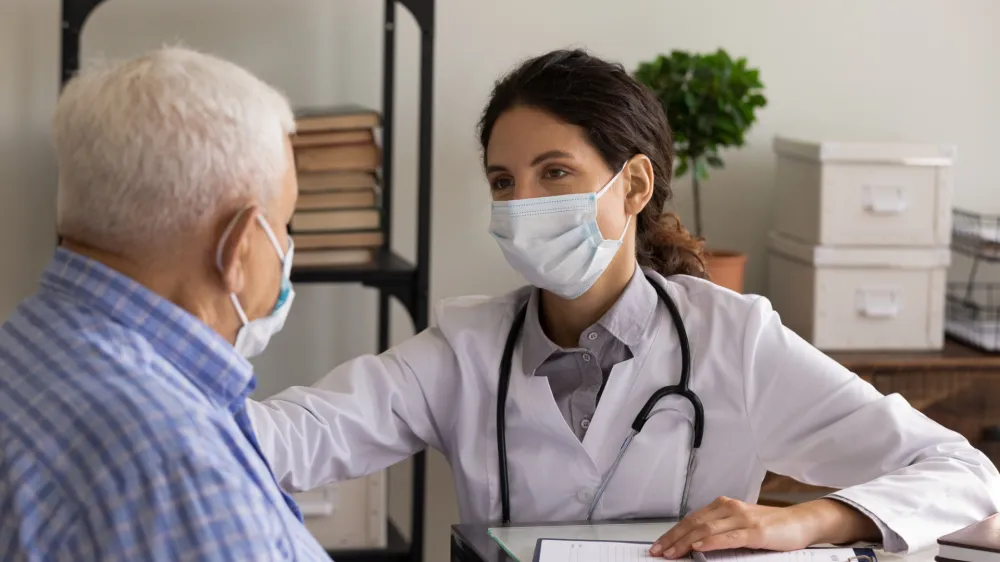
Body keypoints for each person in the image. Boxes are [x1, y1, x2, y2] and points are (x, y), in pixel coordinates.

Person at [247, 49, 1000, 557]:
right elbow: (295, 436)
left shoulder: (734, 340)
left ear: (633, 187)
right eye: (504, 182)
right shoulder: (463, 349)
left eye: (554, 173)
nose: (521, 203)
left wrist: (804, 519)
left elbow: (963, 471)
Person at [0, 47, 331, 561]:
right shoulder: (186, 481)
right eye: (284, 223)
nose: (286, 248)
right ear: (239, 244)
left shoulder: (23, 349)